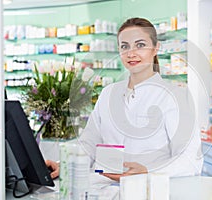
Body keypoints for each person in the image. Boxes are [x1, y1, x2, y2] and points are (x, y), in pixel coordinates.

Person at [46, 17, 203, 181]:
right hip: (102, 186)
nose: (131, 53)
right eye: (124, 46)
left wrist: (148, 172)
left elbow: (191, 159)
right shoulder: (108, 93)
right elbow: (89, 143)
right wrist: (64, 165)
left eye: (140, 45)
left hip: (149, 189)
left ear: (156, 48)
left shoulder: (176, 96)